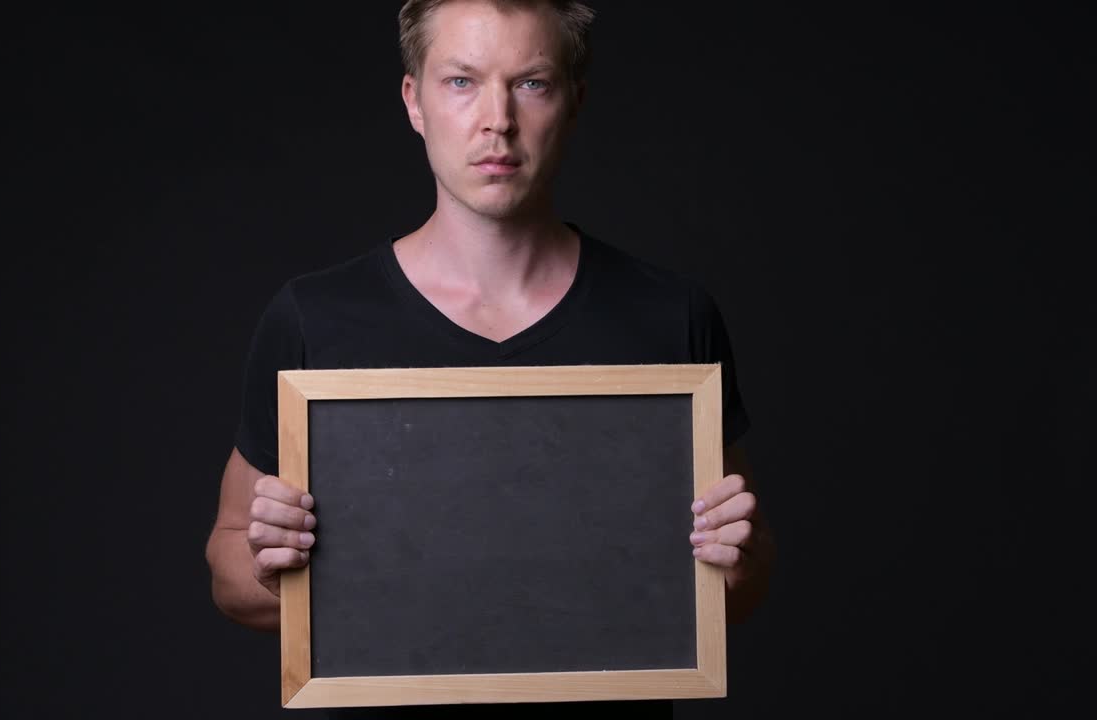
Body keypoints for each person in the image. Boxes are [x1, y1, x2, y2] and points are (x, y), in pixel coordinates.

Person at [205, 0, 776, 713]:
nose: (496, 120)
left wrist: (737, 561)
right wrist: (270, 564)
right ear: (415, 101)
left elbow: (739, 584)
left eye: (531, 83)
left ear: (574, 102)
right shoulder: (315, 319)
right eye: (461, 82)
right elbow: (229, 567)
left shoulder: (668, 317)